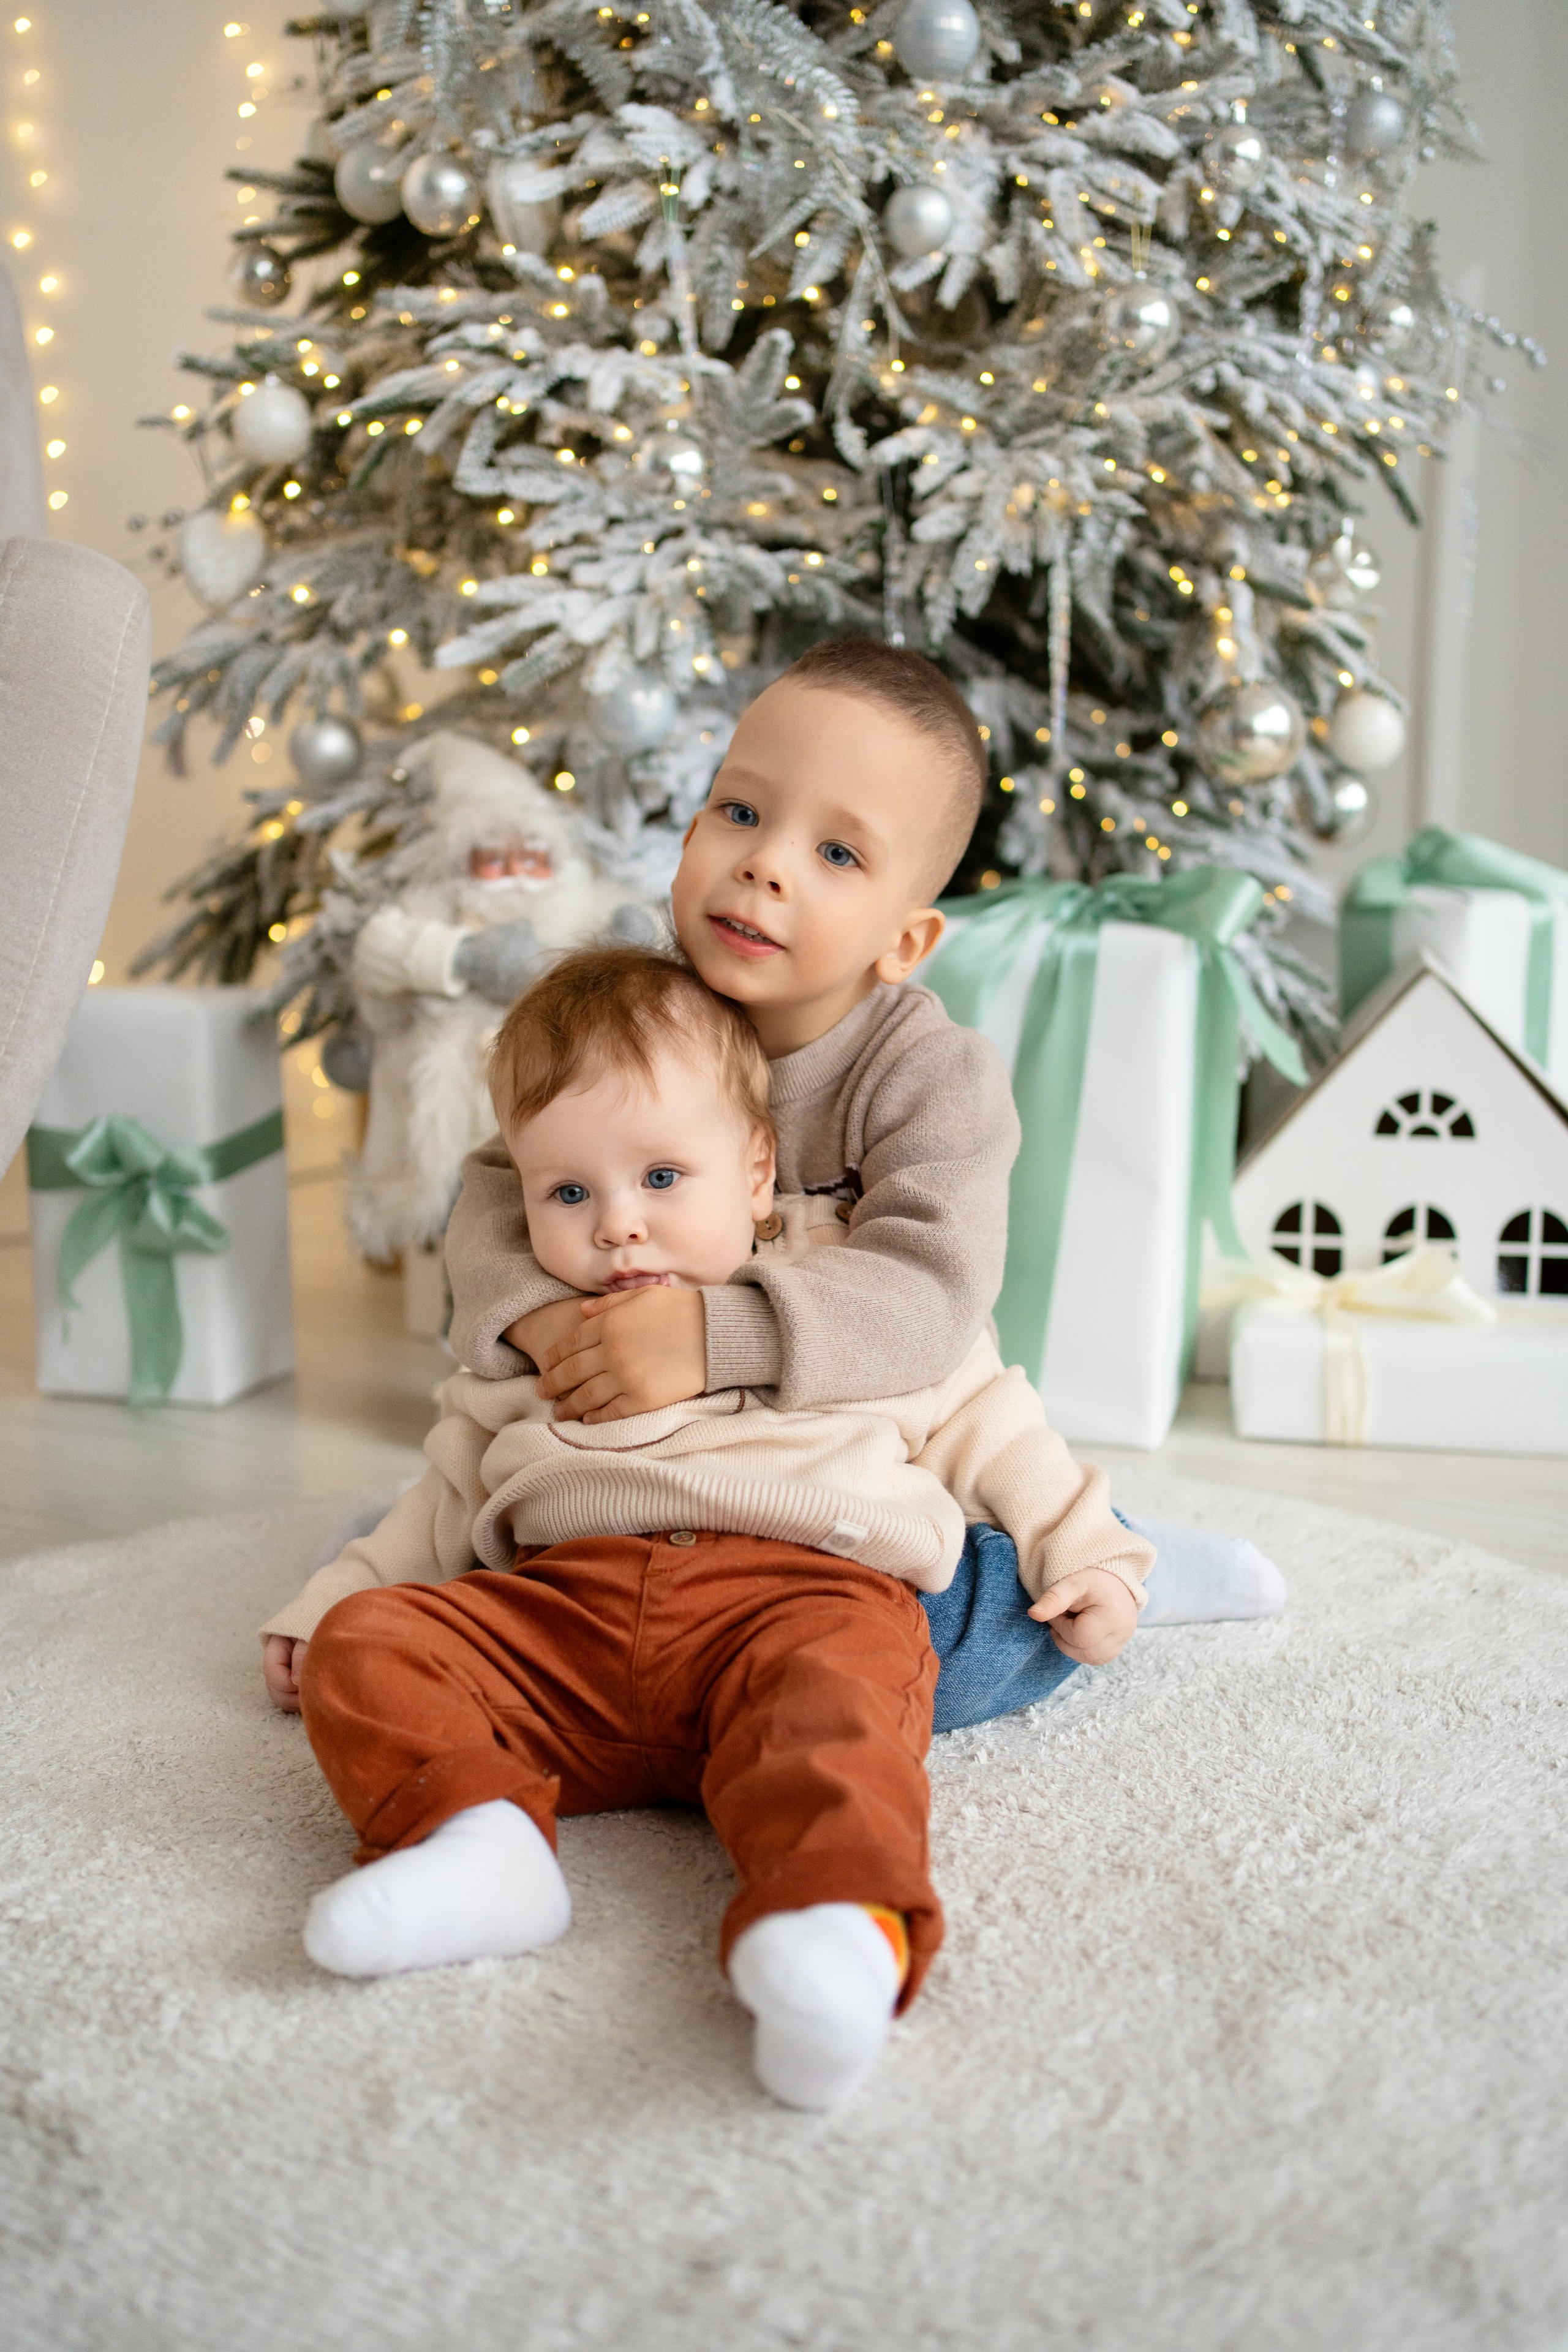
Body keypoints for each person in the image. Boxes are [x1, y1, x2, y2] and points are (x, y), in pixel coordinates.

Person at [262, 948, 1156, 2111]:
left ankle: (834, 1933)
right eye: (568, 1195)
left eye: (663, 1178)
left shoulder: (847, 1302)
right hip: (566, 1621)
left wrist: (1089, 1550)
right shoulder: (544, 1337)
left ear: (757, 1172)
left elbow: (996, 1426)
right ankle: (479, 1844)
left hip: (798, 1604)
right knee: (377, 1645)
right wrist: (336, 1599)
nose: (619, 1228)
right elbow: (447, 1489)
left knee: (841, 1724)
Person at [436, 635, 1282, 1733]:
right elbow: (500, 1192)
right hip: (655, 1480)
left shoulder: (932, 1079)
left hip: (855, 1474)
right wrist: (557, 1332)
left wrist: (710, 1334)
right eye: (740, 813)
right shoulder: (622, 1025)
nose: (765, 864)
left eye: (838, 855)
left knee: (962, 1645)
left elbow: (931, 1296)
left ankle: (1116, 1561)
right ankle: (423, 1550)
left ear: (908, 939)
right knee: (499, 1554)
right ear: (690, 834)